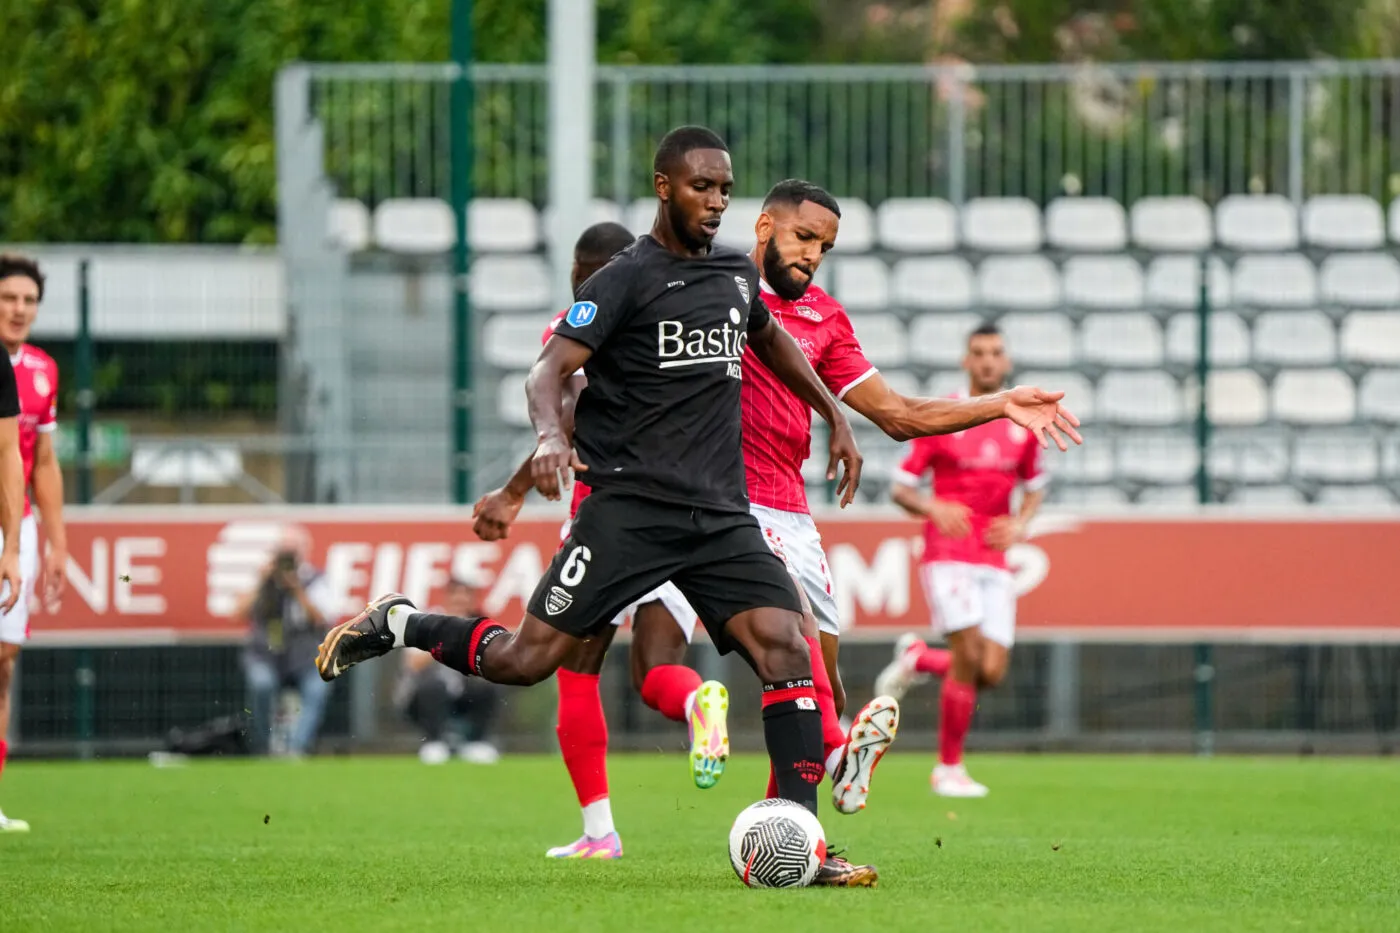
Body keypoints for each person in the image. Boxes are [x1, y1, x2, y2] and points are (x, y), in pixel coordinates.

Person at [317, 125, 881, 886]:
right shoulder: (622, 281)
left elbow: (770, 337)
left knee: (787, 651)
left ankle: (805, 846)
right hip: (627, 512)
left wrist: (834, 413)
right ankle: (397, 621)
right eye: (699, 186)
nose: (714, 200)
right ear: (663, 187)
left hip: (719, 516)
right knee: (525, 661)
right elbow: (546, 371)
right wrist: (548, 439)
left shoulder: (732, 275)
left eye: (723, 187)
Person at [476, 180, 1085, 854]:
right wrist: (532, 471)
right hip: (710, 509)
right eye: (803, 238)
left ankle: (791, 823)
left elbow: (901, 415)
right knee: (772, 671)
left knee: (813, 680)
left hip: (791, 512)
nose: (814, 256)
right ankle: (818, 777)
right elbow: (584, 383)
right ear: (764, 227)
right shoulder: (708, 286)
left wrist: (999, 402)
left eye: (824, 246)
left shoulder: (825, 318)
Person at [473, 221, 723, 860]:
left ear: (585, 272)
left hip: (607, 521)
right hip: (692, 512)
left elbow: (568, 405)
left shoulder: (581, 318)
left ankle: (599, 833)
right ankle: (698, 702)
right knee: (659, 670)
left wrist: (513, 490)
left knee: (574, 671)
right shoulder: (684, 311)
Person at [874, 323, 1049, 798]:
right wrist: (933, 506)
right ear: (965, 362)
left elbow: (1035, 487)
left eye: (996, 353)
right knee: (969, 656)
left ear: (1006, 362)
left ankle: (918, 658)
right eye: (979, 353)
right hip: (947, 554)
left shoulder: (1022, 424)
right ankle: (947, 769)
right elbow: (900, 487)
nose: (989, 361)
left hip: (993, 558)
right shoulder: (946, 416)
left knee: (990, 671)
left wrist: (1021, 524)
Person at [0, 255, 56, 833]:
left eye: (28, 300)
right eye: (8, 298)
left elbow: (38, 461)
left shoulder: (40, 370)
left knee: (5, 660)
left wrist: (53, 542)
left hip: (16, 527)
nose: (18, 310)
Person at [237, 526, 337, 757]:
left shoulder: (315, 580)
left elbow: (323, 618)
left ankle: (296, 747)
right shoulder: (263, 579)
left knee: (318, 687)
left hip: (305, 657)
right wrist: (261, 582)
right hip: (266, 654)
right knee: (261, 685)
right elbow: (237, 613)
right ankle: (264, 746)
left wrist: (297, 589)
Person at [396, 577, 502, 765]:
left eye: (466, 596)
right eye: (456, 595)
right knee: (433, 687)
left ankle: (475, 742)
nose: (460, 601)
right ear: (447, 597)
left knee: (486, 687)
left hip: (463, 694)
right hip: (425, 697)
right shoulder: (427, 621)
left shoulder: (481, 626)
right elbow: (414, 663)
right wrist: (448, 638)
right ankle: (435, 742)